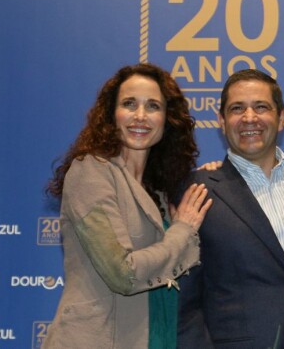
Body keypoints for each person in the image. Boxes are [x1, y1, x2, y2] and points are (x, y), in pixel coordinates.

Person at [43, 63, 212, 349]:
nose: (141, 116)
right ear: (111, 114)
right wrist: (181, 230)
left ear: (167, 119)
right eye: (129, 104)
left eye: (153, 106)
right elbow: (124, 273)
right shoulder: (91, 171)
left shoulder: (156, 191)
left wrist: (216, 176)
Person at [177, 69, 284, 349]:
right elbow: (184, 296)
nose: (249, 118)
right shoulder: (197, 191)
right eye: (237, 109)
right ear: (221, 120)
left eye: (261, 107)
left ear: (281, 118)